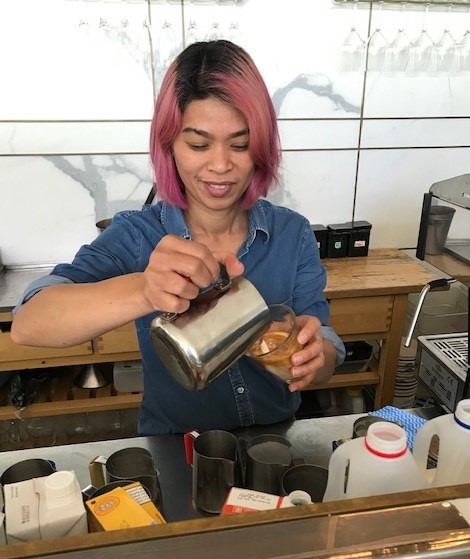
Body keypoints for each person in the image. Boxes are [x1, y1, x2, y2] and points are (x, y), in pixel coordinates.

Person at [11, 40, 345, 435]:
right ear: (169, 145)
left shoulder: (292, 233)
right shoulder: (138, 235)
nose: (220, 165)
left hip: (272, 443)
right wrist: (144, 290)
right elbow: (29, 323)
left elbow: (324, 340)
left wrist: (316, 356)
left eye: (240, 144)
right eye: (199, 144)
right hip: (176, 446)